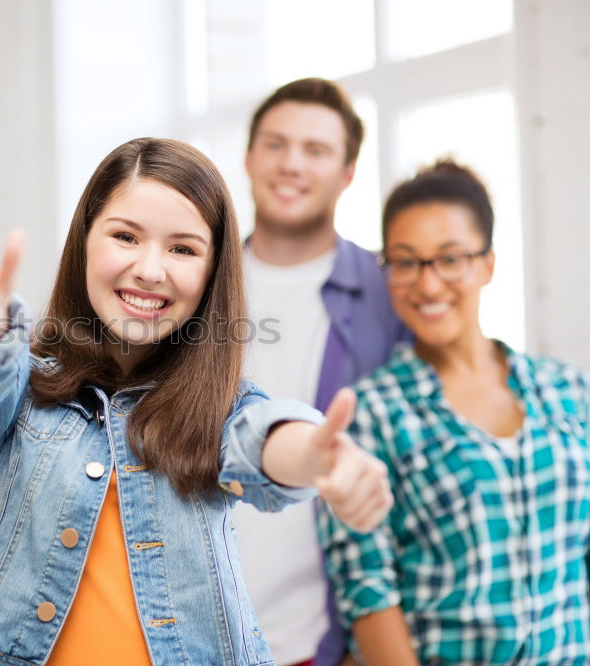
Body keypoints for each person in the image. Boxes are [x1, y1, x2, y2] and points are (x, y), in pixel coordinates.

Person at [0, 137, 392, 666]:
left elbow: (265, 438)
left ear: (212, 275)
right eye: (125, 236)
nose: (150, 269)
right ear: (85, 240)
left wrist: (319, 457)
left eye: (183, 249)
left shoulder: (217, 409)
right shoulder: (25, 390)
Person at [318, 159, 590, 663]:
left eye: (450, 259)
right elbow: (368, 590)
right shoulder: (369, 414)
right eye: (406, 262)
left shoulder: (570, 391)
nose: (428, 286)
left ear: (487, 263)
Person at [235, 77, 409, 666]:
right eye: (276, 144)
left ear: (348, 172)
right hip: (190, 627)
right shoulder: (193, 284)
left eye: (315, 150)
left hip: (326, 639)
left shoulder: (390, 295)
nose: (291, 164)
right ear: (249, 156)